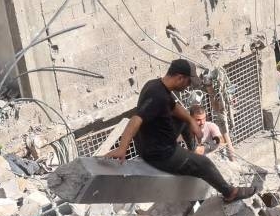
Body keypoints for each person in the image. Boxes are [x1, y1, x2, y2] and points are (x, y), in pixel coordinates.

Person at [104, 59, 254, 202]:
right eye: (188, 82)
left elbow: (174, 107)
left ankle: (192, 152)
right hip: (159, 153)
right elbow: (136, 119)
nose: (188, 87)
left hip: (153, 140)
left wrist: (191, 121)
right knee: (204, 164)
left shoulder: (155, 85)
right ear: (180, 78)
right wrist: (122, 148)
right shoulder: (158, 96)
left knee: (185, 119)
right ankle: (230, 193)